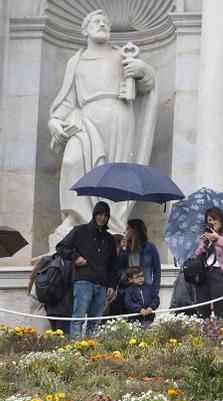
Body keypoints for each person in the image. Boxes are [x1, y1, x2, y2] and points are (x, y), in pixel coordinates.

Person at [48, 9, 158, 245]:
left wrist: (143, 71)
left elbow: (147, 85)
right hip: (86, 117)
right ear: (84, 29)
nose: (102, 24)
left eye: (105, 22)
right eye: (96, 21)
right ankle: (75, 216)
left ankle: (111, 220)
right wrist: (54, 120)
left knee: (114, 173)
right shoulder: (75, 61)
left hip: (118, 118)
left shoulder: (121, 56)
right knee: (72, 161)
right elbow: (67, 101)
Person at [56, 201, 119, 338]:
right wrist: (75, 257)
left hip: (102, 285)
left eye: (106, 215)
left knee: (95, 322)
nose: (102, 218)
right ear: (94, 214)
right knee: (78, 318)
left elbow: (113, 265)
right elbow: (61, 247)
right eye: (100, 214)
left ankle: (92, 351)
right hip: (83, 281)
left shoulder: (110, 239)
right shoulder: (80, 230)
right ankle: (75, 351)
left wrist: (112, 285)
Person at [194, 207, 223, 319]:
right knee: (203, 311)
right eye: (209, 220)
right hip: (204, 275)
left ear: (221, 220)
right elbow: (197, 254)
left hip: (220, 275)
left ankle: (220, 336)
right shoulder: (206, 236)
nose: (212, 222)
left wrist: (218, 239)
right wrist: (205, 242)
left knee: (220, 311)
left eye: (215, 219)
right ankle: (202, 335)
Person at [117, 218, 162, 304]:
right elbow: (119, 267)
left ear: (134, 230)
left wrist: (155, 290)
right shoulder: (126, 247)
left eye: (128, 228)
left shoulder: (150, 248)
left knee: (145, 315)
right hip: (128, 289)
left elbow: (157, 271)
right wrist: (122, 250)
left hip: (146, 289)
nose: (125, 232)